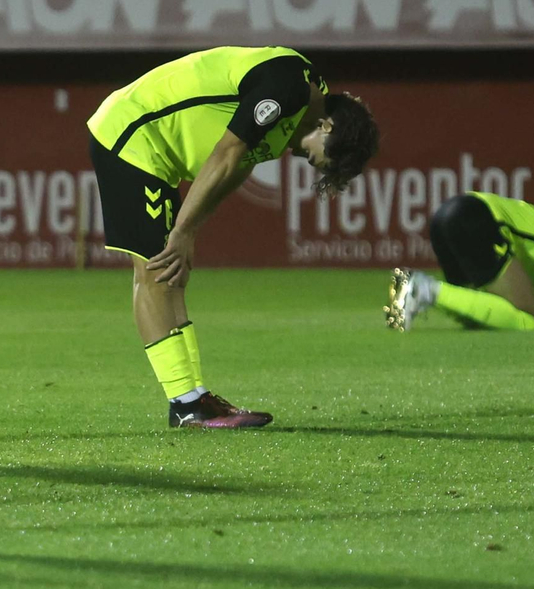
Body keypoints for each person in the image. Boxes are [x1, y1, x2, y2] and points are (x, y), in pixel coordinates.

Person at [87, 46, 379, 428]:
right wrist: (184, 230)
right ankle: (185, 402)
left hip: (155, 150)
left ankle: (195, 398)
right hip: (131, 134)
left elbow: (240, 165)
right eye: (334, 160)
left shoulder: (295, 114)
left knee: (172, 274)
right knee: (156, 270)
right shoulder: (288, 89)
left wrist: (190, 232)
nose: (322, 167)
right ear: (327, 127)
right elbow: (227, 152)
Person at [386, 193, 534, 331]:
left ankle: (415, 293)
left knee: (484, 317)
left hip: (457, 214)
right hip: (476, 219)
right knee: (527, 321)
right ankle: (423, 289)